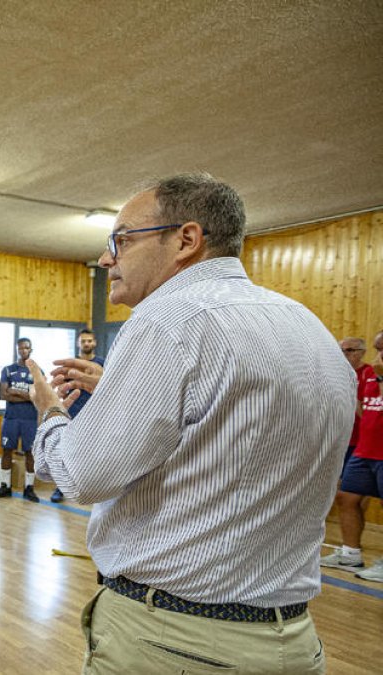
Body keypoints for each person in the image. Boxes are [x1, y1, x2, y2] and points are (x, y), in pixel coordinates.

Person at [28, 173, 353, 673]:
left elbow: (79, 476)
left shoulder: (167, 320)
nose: (106, 260)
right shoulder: (308, 325)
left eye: (121, 240)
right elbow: (233, 428)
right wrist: (121, 390)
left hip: (174, 641)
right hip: (292, 640)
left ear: (186, 239)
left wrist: (50, 411)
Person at [321, 330, 383, 578]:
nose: (379, 354)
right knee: (346, 497)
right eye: (378, 348)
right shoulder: (368, 375)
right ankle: (350, 555)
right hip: (365, 449)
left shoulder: (376, 373)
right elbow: (363, 410)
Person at [50, 328, 104, 504]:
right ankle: (60, 488)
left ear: (94, 342)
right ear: (78, 343)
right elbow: (60, 387)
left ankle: (93, 488)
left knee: (95, 451)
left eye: (89, 340)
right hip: (73, 412)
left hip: (96, 414)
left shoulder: (102, 364)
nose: (87, 344)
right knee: (66, 450)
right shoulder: (71, 365)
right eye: (83, 341)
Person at [0, 338, 41, 502]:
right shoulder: (8, 370)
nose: (23, 351)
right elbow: (3, 395)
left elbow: (37, 397)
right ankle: (5, 486)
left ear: (31, 350)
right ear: (17, 349)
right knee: (6, 450)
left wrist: (15, 391)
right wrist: (27, 395)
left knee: (30, 452)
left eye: (26, 348)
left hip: (30, 419)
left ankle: (29, 488)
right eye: (21, 348)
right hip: (11, 418)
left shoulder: (37, 371)